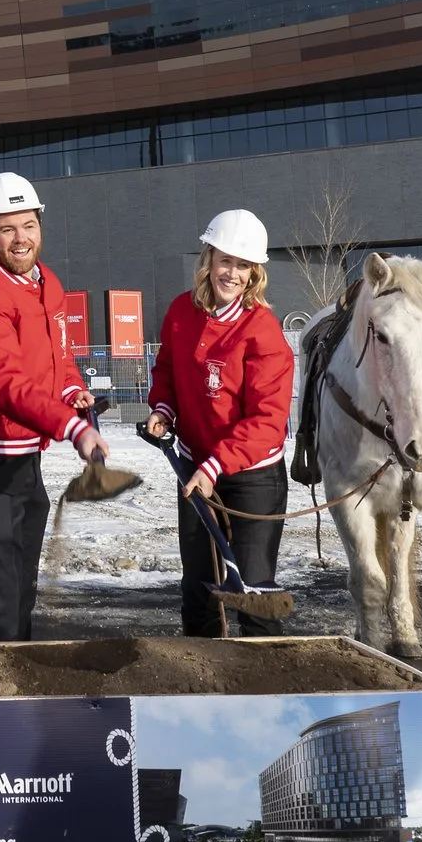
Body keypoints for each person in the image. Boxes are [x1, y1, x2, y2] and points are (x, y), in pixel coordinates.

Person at [0, 171, 107, 641]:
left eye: (28, 225)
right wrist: (72, 428)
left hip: (23, 450)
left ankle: (12, 666)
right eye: (7, 229)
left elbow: (58, 356)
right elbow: (7, 384)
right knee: (3, 582)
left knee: (20, 579)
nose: (20, 238)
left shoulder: (46, 282)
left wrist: (71, 391)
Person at [146, 209, 296, 637]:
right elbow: (168, 372)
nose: (231, 273)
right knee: (198, 589)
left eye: (243, 265)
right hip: (197, 467)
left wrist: (214, 467)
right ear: (209, 258)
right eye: (225, 260)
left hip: (253, 475)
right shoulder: (180, 311)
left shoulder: (262, 333)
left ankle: (264, 689)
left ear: (254, 274)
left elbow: (267, 420)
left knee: (252, 590)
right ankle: (202, 684)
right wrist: (163, 409)